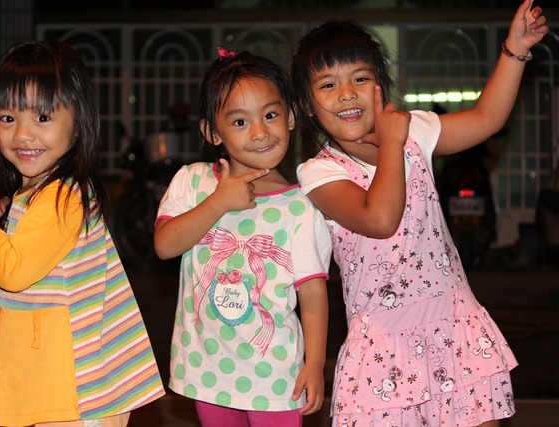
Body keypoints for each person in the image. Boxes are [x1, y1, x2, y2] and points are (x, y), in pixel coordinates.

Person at [291, 1, 548, 426]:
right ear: (306, 104)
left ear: (381, 85)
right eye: (328, 85)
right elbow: (380, 220)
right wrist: (393, 143)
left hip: (455, 326)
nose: (347, 94)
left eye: (360, 78)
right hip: (383, 348)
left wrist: (515, 50)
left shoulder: (415, 131)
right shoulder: (320, 172)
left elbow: (487, 117)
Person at [0, 41, 164, 427]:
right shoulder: (41, 194)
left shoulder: (62, 197)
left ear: (78, 123)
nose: (22, 133)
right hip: (62, 388)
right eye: (7, 117)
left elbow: (12, 270)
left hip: (78, 392)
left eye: (42, 117)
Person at [153, 49, 333, 427]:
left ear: (291, 117)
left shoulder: (300, 207)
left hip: (275, 375)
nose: (260, 132)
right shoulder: (193, 182)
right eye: (239, 121)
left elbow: (313, 292)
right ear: (212, 132)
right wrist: (219, 202)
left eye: (270, 115)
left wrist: (315, 363)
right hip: (208, 368)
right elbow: (165, 246)